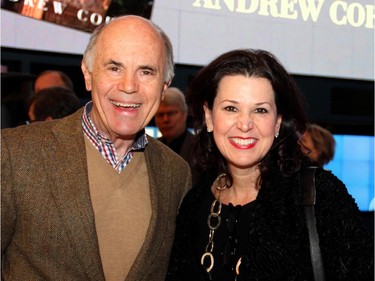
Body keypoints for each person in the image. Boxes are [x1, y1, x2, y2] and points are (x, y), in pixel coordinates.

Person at [2, 15, 192, 281]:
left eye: (146, 72)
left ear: (163, 87)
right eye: (114, 68)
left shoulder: (176, 174)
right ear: (88, 75)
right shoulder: (15, 154)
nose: (129, 86)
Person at [166, 49, 373, 280]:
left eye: (260, 110)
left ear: (278, 122)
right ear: (209, 116)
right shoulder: (193, 206)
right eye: (231, 108)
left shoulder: (319, 196)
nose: (245, 124)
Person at [155, 87, 202, 186]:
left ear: (185, 114)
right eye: (160, 115)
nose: (166, 119)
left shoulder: (200, 148)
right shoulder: (150, 148)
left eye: (171, 113)